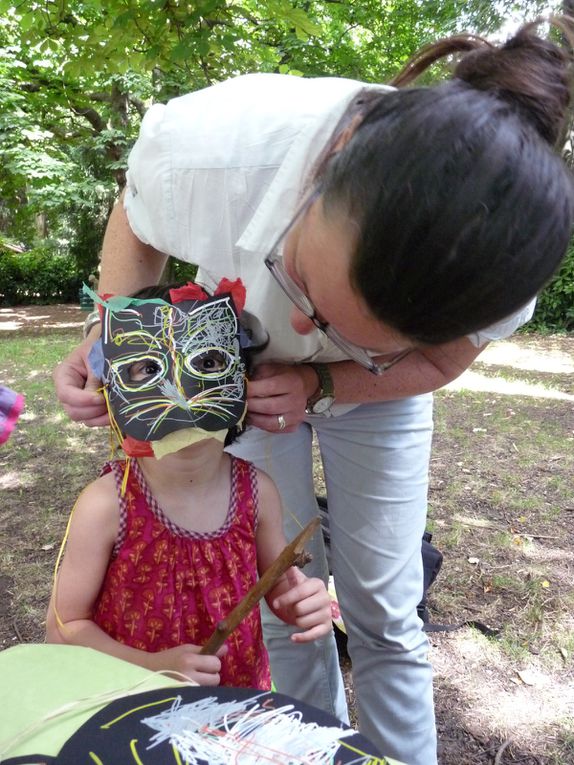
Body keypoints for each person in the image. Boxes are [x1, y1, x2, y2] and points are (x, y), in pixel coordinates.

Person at [53, 20, 574, 765]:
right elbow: (137, 229)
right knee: (281, 597)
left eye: (347, 329)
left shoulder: (498, 270)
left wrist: (328, 377)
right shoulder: (209, 151)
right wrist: (113, 339)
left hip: (382, 398)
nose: (296, 324)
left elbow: (437, 363)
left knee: (386, 615)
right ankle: (308, 749)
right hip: (246, 385)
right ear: (330, 162)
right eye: (298, 277)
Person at [46, 281, 332, 688]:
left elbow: (278, 589)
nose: (182, 395)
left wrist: (302, 602)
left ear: (242, 379)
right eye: (147, 368)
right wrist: (150, 667)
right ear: (110, 390)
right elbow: (64, 625)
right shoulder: (105, 506)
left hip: (233, 706)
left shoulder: (257, 493)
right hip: (132, 706)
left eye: (209, 361)